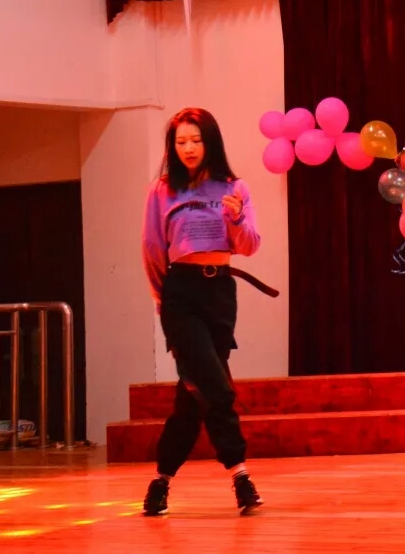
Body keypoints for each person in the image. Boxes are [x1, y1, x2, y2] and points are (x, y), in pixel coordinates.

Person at [140, 108, 279, 517]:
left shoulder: (234, 187)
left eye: (196, 140)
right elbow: (152, 248)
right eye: (180, 141)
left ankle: (160, 482)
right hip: (180, 295)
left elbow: (249, 245)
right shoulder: (161, 191)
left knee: (193, 397)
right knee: (218, 388)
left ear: (210, 142)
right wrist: (162, 301)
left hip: (219, 292)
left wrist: (235, 218)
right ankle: (241, 477)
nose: (188, 148)